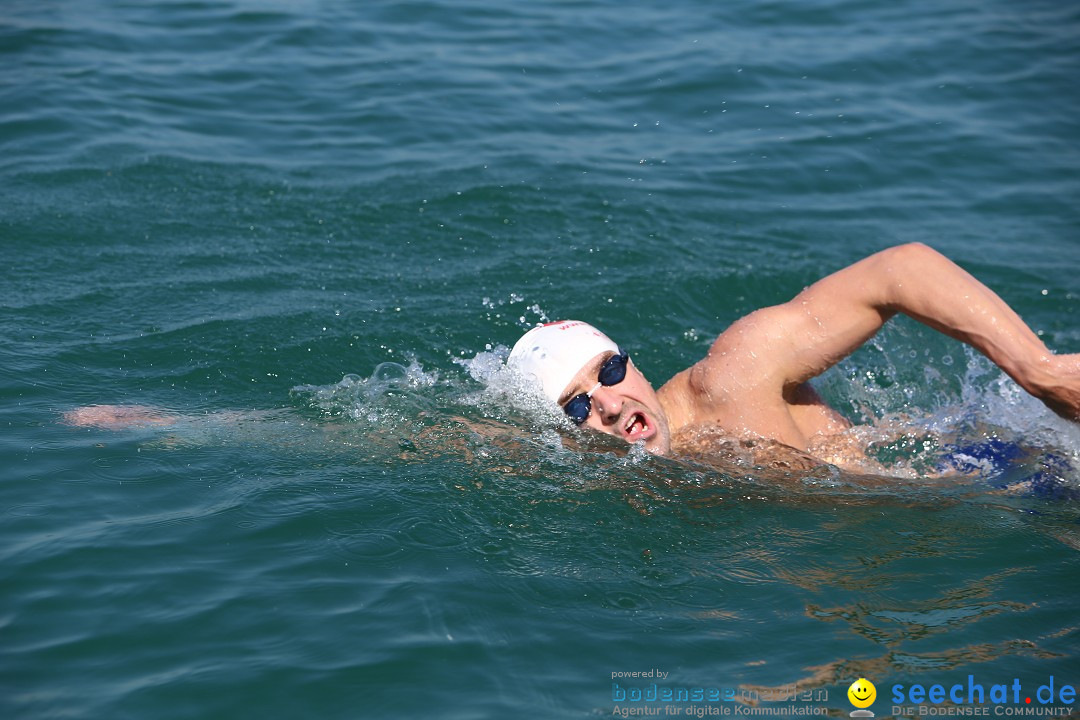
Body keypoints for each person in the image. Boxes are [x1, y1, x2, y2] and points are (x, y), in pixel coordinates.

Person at [507, 243, 1080, 459]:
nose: (607, 403)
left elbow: (899, 269)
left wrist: (1039, 371)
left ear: (630, 360)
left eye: (609, 370)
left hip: (1011, 463)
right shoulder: (635, 468)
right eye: (578, 406)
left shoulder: (734, 374)